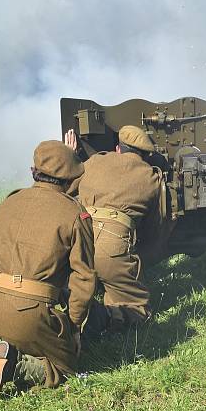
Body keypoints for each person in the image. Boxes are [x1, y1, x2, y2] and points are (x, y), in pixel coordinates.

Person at [0, 140, 96, 401]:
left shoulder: (10, 201)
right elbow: (84, 278)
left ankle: (5, 347)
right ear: (69, 179)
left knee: (24, 326)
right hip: (26, 314)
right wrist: (72, 328)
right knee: (66, 366)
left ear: (34, 171)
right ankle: (21, 365)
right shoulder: (75, 214)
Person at [65, 125, 168, 334]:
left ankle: (64, 308)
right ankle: (102, 317)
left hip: (76, 241)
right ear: (145, 156)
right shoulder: (152, 178)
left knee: (69, 285)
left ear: (118, 148)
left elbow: (65, 189)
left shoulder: (94, 162)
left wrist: (70, 156)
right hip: (113, 248)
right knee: (137, 310)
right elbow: (155, 227)